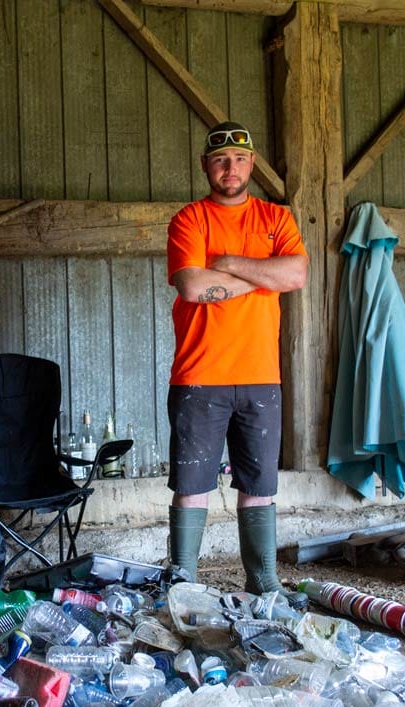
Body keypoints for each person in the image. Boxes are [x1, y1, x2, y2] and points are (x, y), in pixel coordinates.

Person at [166, 121, 308, 608]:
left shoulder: (276, 218)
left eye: (241, 159)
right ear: (206, 165)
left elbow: (297, 272)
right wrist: (263, 275)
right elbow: (191, 286)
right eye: (221, 160)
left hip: (260, 377)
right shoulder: (190, 220)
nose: (231, 168)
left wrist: (226, 263)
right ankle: (181, 581)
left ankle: (263, 580)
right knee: (192, 486)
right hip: (199, 375)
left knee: (259, 486)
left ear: (252, 165)